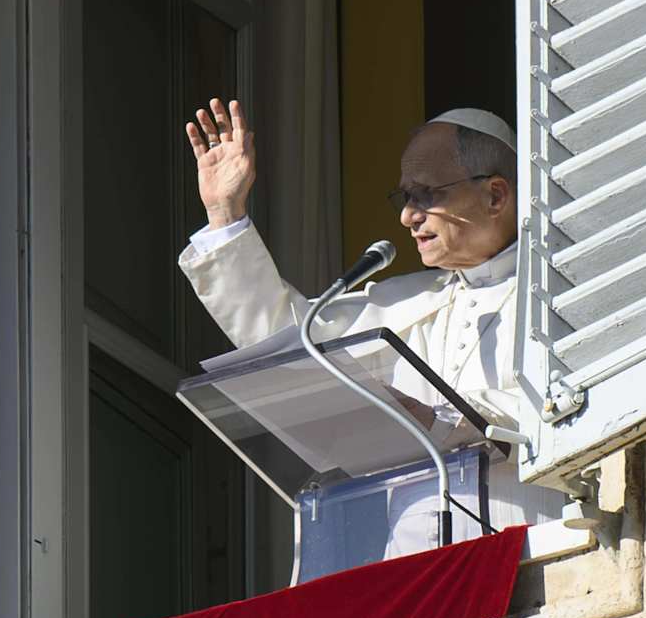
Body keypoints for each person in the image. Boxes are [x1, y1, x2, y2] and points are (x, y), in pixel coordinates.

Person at [177, 97, 559, 552]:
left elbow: (565, 407)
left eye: (426, 195)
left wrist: (445, 420)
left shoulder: (560, 293)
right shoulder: (406, 300)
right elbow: (289, 343)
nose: (407, 216)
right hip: (412, 559)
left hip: (533, 546)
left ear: (495, 195)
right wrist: (225, 215)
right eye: (404, 197)